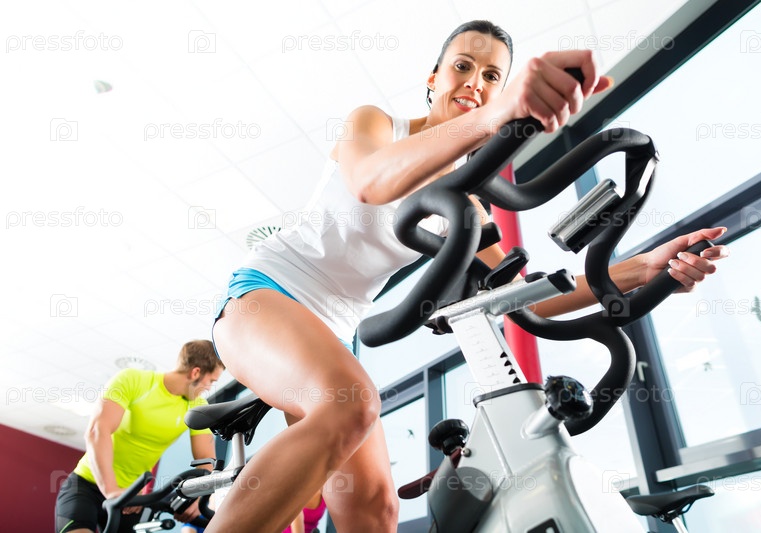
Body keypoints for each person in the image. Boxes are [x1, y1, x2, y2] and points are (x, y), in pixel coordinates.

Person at [207, 20, 729, 532]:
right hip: (266, 292)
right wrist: (499, 113)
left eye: (492, 77)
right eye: (463, 66)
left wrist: (646, 268)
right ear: (434, 78)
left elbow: (526, 298)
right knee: (354, 405)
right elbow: (370, 181)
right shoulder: (377, 124)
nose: (475, 82)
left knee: (376, 512)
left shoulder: (465, 203)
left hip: (335, 334)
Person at [54, 340, 225, 533]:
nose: (209, 388)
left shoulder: (197, 406)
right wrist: (111, 490)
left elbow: (206, 460)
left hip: (132, 498)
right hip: (86, 485)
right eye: (211, 381)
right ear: (195, 373)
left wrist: (198, 497)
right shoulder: (133, 379)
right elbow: (97, 431)